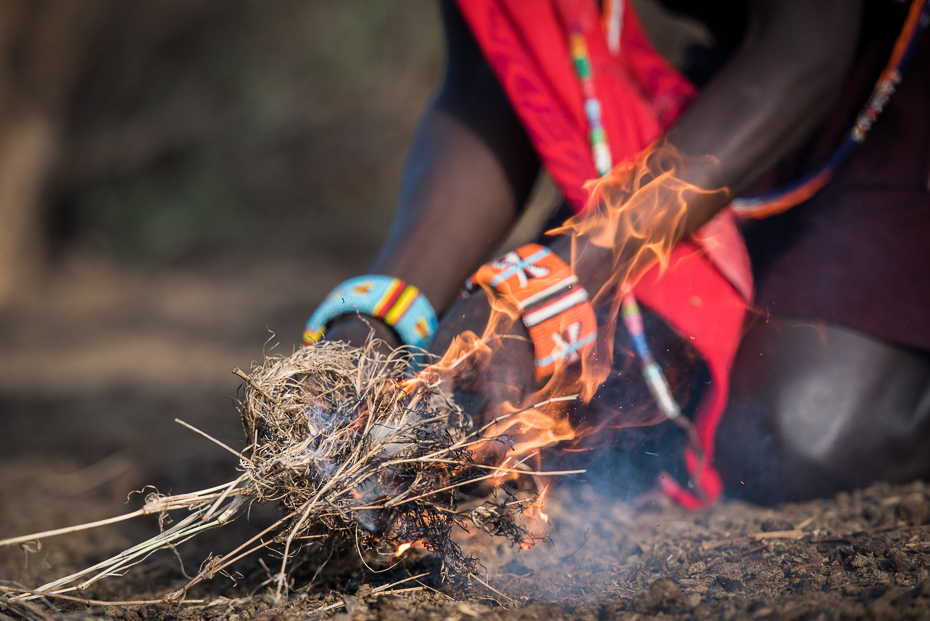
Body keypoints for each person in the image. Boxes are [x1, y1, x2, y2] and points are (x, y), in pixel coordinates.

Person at [304, 0, 930, 505]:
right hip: (738, 97)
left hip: (891, 87)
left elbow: (804, 49)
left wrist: (547, 287)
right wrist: (378, 317)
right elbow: (485, 81)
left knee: (802, 437)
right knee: (538, 422)